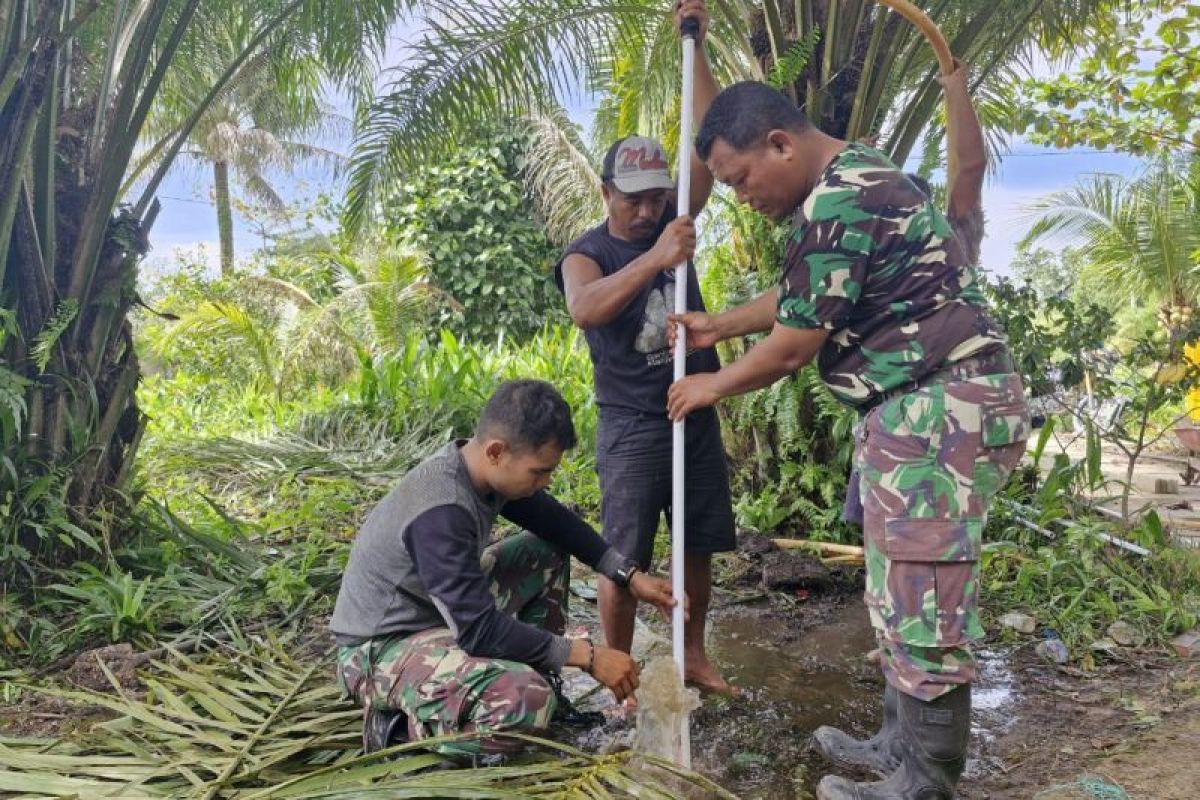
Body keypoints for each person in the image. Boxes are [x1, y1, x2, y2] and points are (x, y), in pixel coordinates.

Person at [666, 82, 1031, 799]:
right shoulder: (848, 183)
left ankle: (924, 783)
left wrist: (709, 384)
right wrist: (717, 326)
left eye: (740, 180)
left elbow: (793, 345)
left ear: (781, 143)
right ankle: (898, 744)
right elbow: (804, 292)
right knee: (895, 590)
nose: (741, 196)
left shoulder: (841, 196)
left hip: (938, 410)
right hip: (913, 410)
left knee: (922, 600)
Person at [330, 380, 682, 760]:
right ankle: (402, 733)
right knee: (524, 702)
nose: (545, 482)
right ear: (497, 451)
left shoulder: (482, 470)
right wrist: (588, 656)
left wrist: (627, 574)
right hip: (378, 649)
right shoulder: (440, 509)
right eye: (539, 471)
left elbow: (556, 523)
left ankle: (538, 681)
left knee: (544, 551)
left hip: (437, 616)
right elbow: (478, 630)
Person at [554, 0, 735, 696]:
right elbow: (585, 308)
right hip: (631, 423)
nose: (645, 207)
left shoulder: (679, 215)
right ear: (606, 192)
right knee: (622, 557)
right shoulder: (589, 251)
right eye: (631, 198)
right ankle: (619, 671)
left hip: (695, 407)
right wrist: (656, 254)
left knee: (698, 545)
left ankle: (692, 653)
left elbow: (716, 137)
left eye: (656, 197)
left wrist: (700, 47)